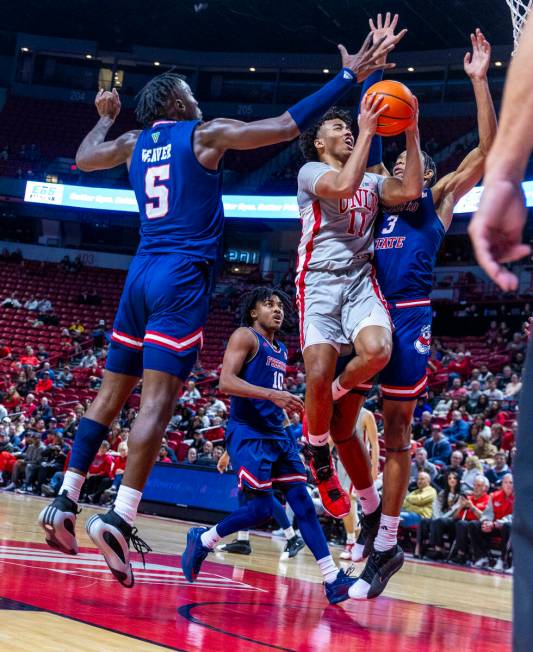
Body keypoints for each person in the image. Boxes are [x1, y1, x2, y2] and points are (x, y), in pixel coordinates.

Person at [38, 30, 398, 582]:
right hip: (179, 277)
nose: (198, 100)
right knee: (155, 402)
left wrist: (105, 115)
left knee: (109, 394)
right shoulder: (203, 133)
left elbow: (85, 158)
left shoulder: (133, 142)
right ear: (177, 103)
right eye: (190, 92)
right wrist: (346, 78)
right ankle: (119, 514)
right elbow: (284, 127)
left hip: (139, 271)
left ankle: (64, 498)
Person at [348, 27, 496, 600]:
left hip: (409, 319)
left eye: (409, 169)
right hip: (362, 313)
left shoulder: (435, 201)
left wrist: (479, 82)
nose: (398, 177)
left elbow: (485, 151)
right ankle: (363, 514)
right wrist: (371, 74)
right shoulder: (373, 199)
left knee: (398, 433)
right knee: (340, 420)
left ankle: (385, 541)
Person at [295, 15, 414, 519]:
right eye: (338, 127)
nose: (347, 131)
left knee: (379, 352)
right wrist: (366, 126)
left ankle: (335, 400)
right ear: (321, 143)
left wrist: (408, 121)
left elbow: (408, 191)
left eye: (350, 126)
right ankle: (317, 449)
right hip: (318, 281)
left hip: (360, 280)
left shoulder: (372, 177)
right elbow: (343, 187)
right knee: (317, 373)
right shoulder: (312, 171)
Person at [181, 288, 355, 604]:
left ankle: (332, 579)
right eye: (268, 304)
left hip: (277, 435)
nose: (277, 310)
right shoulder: (245, 337)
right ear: (252, 312)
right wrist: (273, 395)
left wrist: (292, 429)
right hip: (248, 433)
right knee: (259, 511)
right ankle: (203, 539)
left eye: (279, 305)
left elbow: (275, 399)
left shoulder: (282, 348)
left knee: (302, 503)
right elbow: (226, 382)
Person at [336, 406, 380, 562]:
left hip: (359, 462)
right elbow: (331, 439)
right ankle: (355, 540)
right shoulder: (340, 412)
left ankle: (352, 542)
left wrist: (375, 466)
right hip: (341, 462)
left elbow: (375, 443)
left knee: (348, 498)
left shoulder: (366, 414)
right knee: (345, 502)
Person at [469, 473, 514, 570]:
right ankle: (482, 557)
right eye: (505, 482)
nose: (508, 485)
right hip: (494, 527)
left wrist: (495, 523)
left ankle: (502, 560)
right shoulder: (494, 495)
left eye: (511, 482)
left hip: (512, 529)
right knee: (473, 525)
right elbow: (487, 512)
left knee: (508, 526)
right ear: (502, 484)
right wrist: (486, 521)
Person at [450, 475, 490, 565]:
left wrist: (472, 507)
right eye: (475, 485)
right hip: (461, 523)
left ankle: (462, 554)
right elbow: (454, 517)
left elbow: (484, 518)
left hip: (478, 527)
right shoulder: (468, 498)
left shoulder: (488, 500)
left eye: (479, 485)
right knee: (455, 523)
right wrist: (461, 507)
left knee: (463, 524)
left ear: (486, 488)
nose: (475, 488)